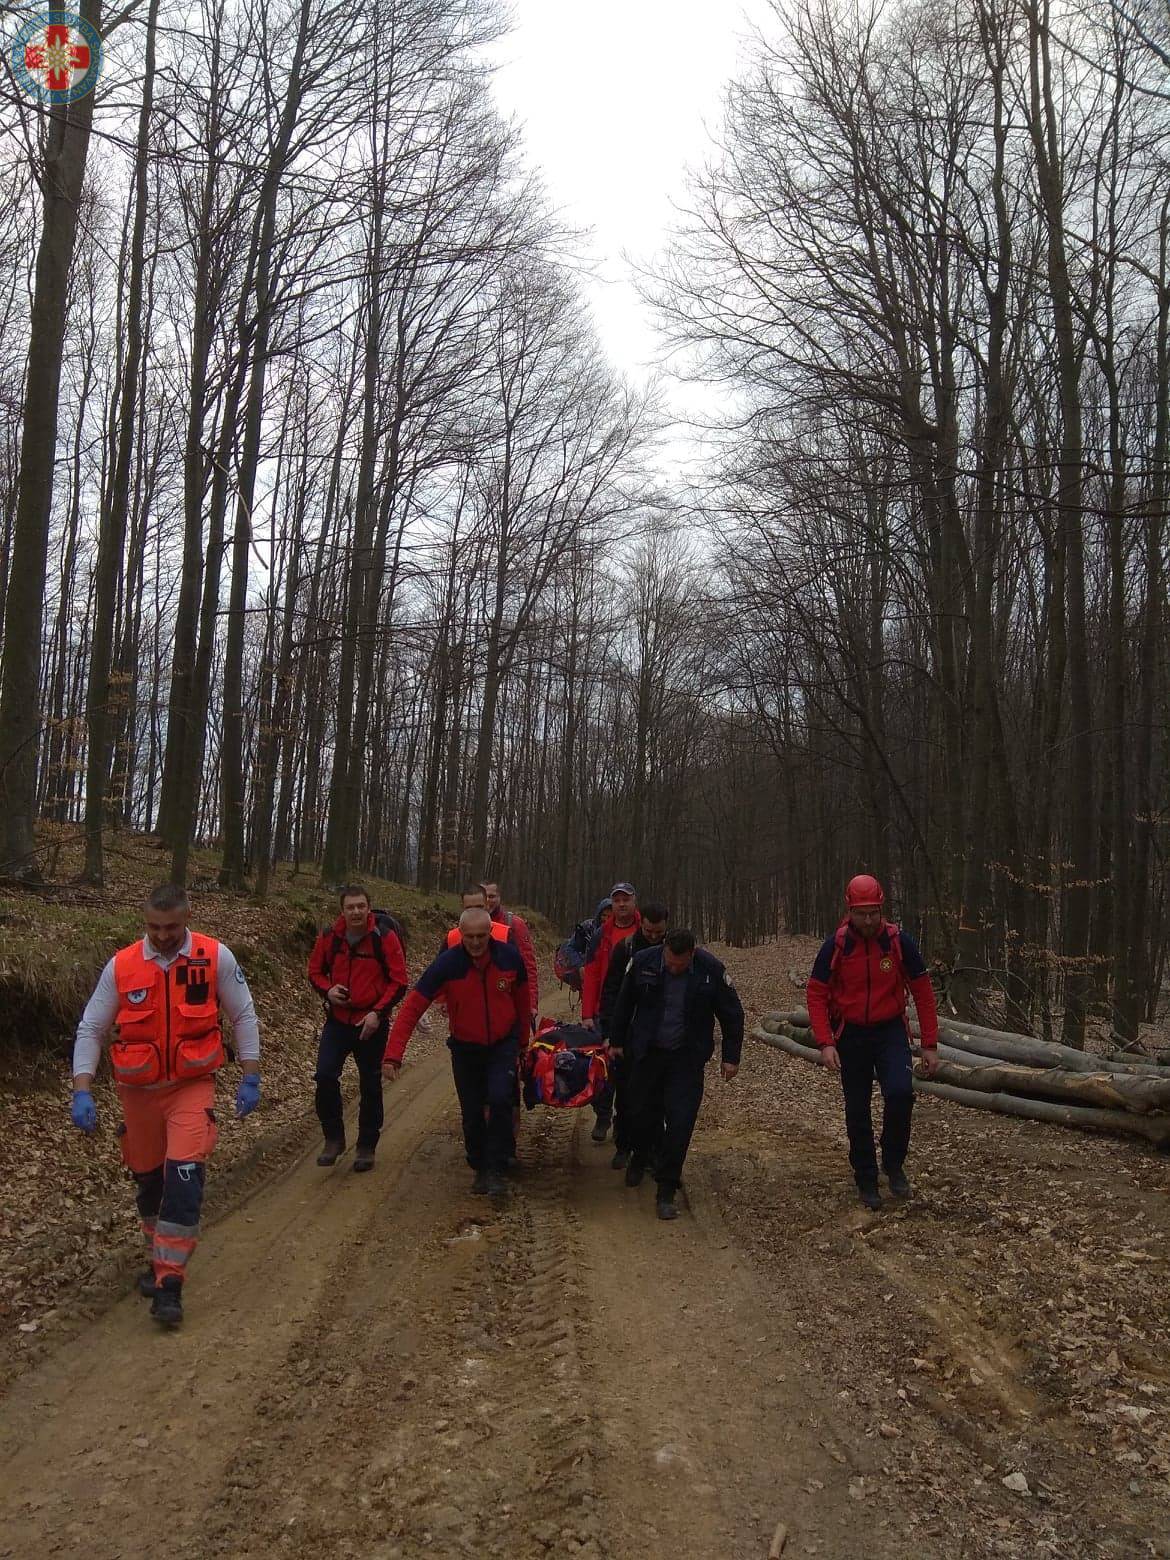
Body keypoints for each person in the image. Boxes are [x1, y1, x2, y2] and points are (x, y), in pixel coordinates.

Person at [69, 884, 262, 1328]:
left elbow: (243, 1015)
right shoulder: (122, 966)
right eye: (154, 928)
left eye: (171, 927)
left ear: (186, 918)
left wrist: (250, 1074)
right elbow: (91, 1029)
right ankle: (160, 1259)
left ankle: (170, 1284)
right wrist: (82, 1088)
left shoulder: (214, 958)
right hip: (137, 1093)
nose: (162, 936)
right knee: (150, 1182)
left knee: (184, 1176)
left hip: (190, 1087)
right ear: (145, 922)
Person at [805, 874, 939, 1210]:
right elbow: (816, 992)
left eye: (874, 912)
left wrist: (930, 1044)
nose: (868, 920)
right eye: (861, 913)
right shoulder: (836, 945)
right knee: (857, 1108)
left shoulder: (898, 942)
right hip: (850, 1033)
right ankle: (865, 1176)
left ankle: (892, 1164)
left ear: (882, 909)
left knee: (899, 1093)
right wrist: (826, 1042)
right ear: (850, 910)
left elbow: (922, 992)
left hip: (890, 1029)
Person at [383, 907, 528, 1198]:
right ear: (460, 934)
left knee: (501, 1100)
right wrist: (393, 1054)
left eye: (481, 936)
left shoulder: (509, 959)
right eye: (470, 936)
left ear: (491, 933)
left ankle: (497, 1168)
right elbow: (413, 1007)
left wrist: (523, 1042)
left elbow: (522, 1003)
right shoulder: (447, 965)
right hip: (465, 1049)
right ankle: (479, 1166)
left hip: (502, 1045)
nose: (476, 943)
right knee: (472, 1112)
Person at [609, 928, 743, 1221]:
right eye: (669, 962)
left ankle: (666, 1188)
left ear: (692, 954)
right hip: (648, 1053)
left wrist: (730, 1057)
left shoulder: (711, 970)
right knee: (640, 1113)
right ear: (665, 950)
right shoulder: (644, 961)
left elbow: (732, 1013)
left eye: (679, 965)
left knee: (681, 1122)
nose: (673, 968)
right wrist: (616, 1040)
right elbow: (624, 1001)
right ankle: (640, 1154)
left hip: (686, 1057)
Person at [307, 885, 409, 1172]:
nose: (356, 911)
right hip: (338, 1020)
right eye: (350, 907)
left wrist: (378, 1013)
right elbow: (314, 971)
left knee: (370, 1085)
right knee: (325, 1075)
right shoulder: (330, 937)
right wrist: (328, 990)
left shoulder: (384, 938)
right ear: (342, 910)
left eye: (361, 906)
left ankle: (366, 1146)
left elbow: (399, 981)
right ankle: (334, 1138)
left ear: (368, 908)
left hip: (372, 1023)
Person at [596, 899, 669, 1170]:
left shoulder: (671, 948)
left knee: (656, 1098)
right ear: (643, 925)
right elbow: (612, 992)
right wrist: (609, 1033)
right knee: (626, 1094)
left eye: (658, 933)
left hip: (659, 1035)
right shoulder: (625, 949)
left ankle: (651, 1150)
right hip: (626, 1034)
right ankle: (623, 1145)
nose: (653, 937)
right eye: (649, 932)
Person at [581, 882, 641, 1141]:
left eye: (626, 899)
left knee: (631, 1071)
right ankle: (602, 1113)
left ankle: (623, 1121)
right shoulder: (600, 935)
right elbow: (592, 976)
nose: (622, 904)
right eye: (617, 900)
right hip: (604, 1010)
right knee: (602, 1066)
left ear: (634, 901)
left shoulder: (645, 931)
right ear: (611, 904)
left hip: (638, 1011)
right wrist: (586, 1014)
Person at [481, 880, 539, 1031]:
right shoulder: (471, 924)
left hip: (510, 1001)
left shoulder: (515, 924)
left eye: (492, 896)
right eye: (484, 896)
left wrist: (531, 1004)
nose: (488, 900)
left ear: (499, 897)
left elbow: (529, 966)